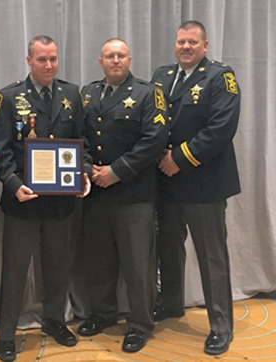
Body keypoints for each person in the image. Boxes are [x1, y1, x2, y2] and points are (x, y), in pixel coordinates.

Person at [0, 35, 91, 362]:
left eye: (53, 59)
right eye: (41, 60)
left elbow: (82, 141)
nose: (48, 65)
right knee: (15, 271)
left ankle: (54, 321)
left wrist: (83, 173)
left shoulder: (71, 95)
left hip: (60, 202)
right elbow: (2, 149)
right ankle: (6, 333)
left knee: (57, 268)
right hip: (22, 200)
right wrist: (11, 182)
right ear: (29, 60)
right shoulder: (8, 98)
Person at [151, 20, 241, 355]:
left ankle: (221, 325)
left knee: (211, 257)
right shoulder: (162, 76)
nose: (185, 47)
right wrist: (159, 155)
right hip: (167, 183)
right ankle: (172, 303)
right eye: (180, 42)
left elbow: (221, 128)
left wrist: (179, 158)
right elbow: (154, 122)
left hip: (204, 185)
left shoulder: (220, 77)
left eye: (192, 42)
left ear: (204, 46)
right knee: (169, 251)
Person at [77, 38, 169, 353]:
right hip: (96, 195)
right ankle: (102, 314)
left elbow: (155, 140)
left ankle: (140, 324)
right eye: (109, 56)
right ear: (100, 61)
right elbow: (79, 137)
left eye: (121, 55)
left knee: (138, 264)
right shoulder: (86, 94)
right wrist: (89, 169)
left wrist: (114, 172)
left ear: (130, 59)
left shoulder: (149, 93)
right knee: (98, 261)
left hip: (134, 194)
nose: (115, 60)